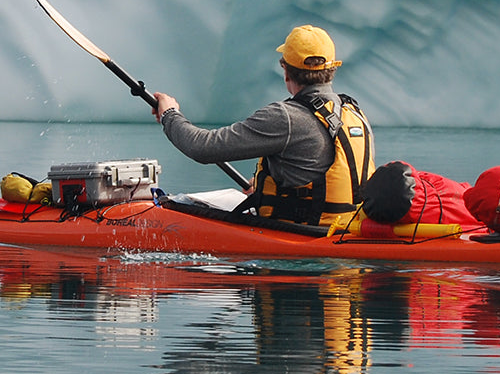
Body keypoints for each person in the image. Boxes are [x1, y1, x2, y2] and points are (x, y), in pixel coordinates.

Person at [149, 25, 376, 225]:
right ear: (331, 70)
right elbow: (316, 168)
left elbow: (202, 148)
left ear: (286, 71)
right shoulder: (354, 113)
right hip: (344, 229)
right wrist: (263, 188)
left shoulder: (285, 117)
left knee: (176, 203)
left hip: (302, 234)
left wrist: (170, 113)